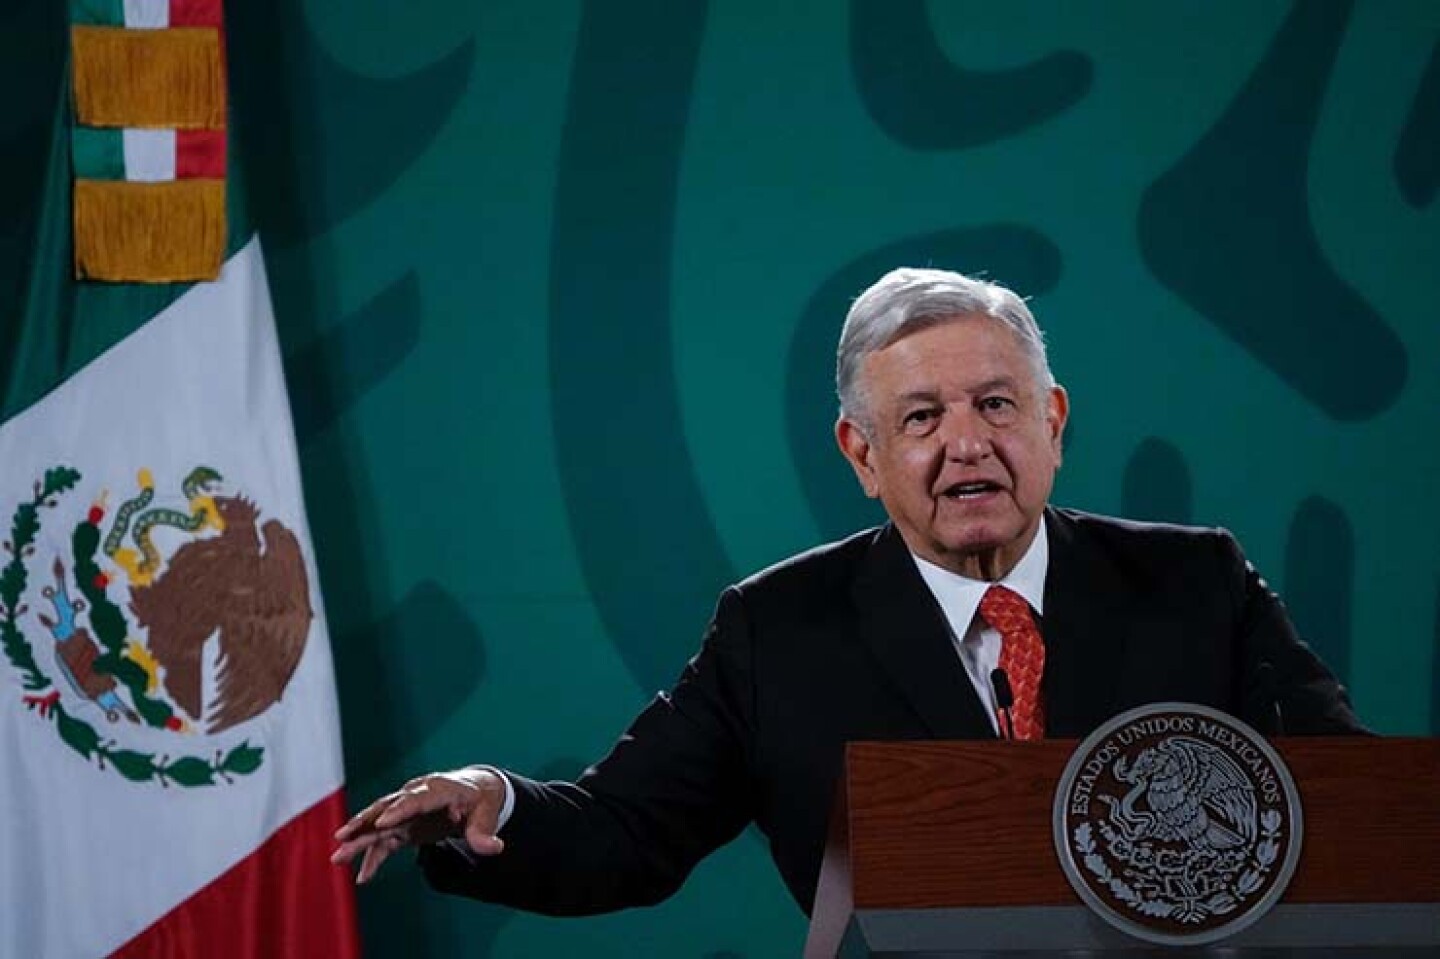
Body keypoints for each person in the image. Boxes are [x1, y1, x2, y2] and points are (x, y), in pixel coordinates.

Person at [332, 267, 1363, 916]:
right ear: (861, 455)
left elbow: (1358, 808)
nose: (968, 442)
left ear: (1052, 421)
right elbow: (623, 831)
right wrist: (491, 797)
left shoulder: (1197, 582)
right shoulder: (776, 631)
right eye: (920, 418)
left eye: (995, 404)